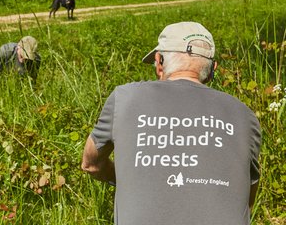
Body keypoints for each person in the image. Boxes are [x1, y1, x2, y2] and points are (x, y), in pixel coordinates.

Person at [81, 21, 261, 225]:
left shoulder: (126, 98)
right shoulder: (245, 116)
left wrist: (130, 180)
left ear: (159, 62)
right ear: (213, 70)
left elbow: (90, 164)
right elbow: (245, 200)